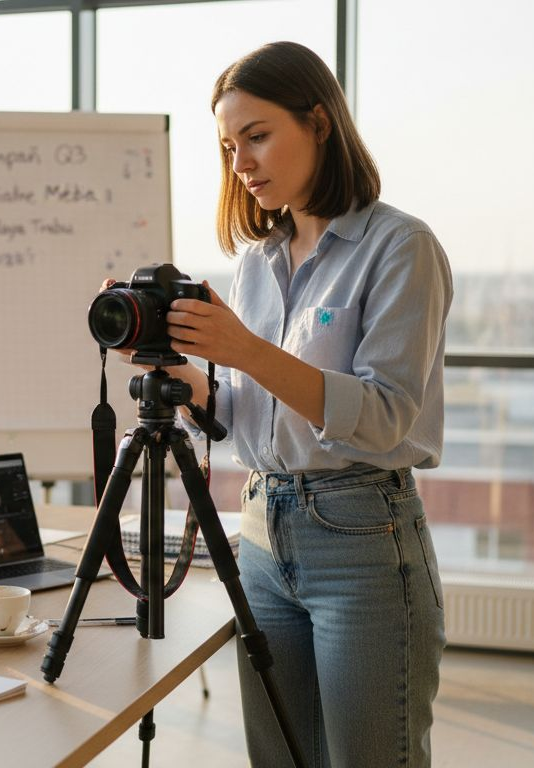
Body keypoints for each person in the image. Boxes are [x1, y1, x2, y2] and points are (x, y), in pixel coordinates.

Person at [113, 41, 452, 766]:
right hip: (263, 534)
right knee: (280, 758)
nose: (241, 163)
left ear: (320, 123)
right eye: (229, 146)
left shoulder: (401, 247)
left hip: (361, 538)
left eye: (258, 136)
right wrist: (191, 375)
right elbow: (247, 414)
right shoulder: (256, 263)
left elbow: (387, 412)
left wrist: (244, 350)